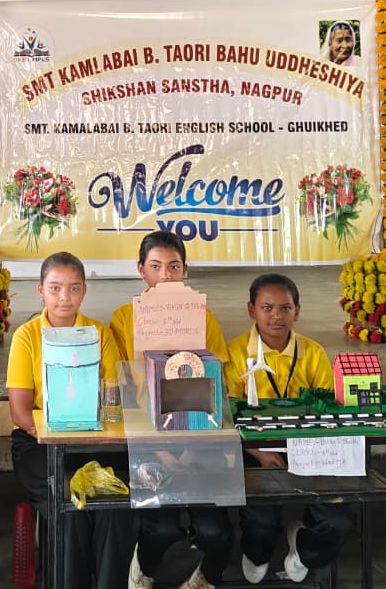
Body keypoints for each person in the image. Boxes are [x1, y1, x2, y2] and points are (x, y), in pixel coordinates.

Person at [6, 251, 133, 589]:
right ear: (40, 291)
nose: (65, 297)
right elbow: (20, 412)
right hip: (38, 442)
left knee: (114, 504)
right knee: (68, 505)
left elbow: (113, 398)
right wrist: (54, 432)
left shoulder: (100, 334)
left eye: (74, 288)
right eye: (55, 288)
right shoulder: (27, 337)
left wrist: (87, 427)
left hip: (95, 438)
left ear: (85, 291)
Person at [113, 231, 230, 589]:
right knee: (161, 527)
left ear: (186, 270)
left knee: (217, 531)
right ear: (141, 271)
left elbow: (217, 386)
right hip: (148, 440)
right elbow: (123, 396)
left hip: (199, 437)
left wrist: (192, 449)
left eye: (174, 266)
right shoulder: (123, 318)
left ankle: (204, 579)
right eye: (155, 266)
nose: (165, 275)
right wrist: (162, 451)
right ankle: (144, 569)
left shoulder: (203, 317)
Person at [225, 273, 346, 584]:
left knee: (338, 519)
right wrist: (260, 453)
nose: (276, 317)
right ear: (251, 309)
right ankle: (258, 551)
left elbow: (327, 411)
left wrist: (311, 451)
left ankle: (304, 546)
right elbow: (227, 416)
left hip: (308, 444)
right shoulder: (235, 353)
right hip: (254, 445)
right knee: (260, 517)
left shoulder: (313, 352)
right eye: (267, 308)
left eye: (285, 308)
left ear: (298, 311)